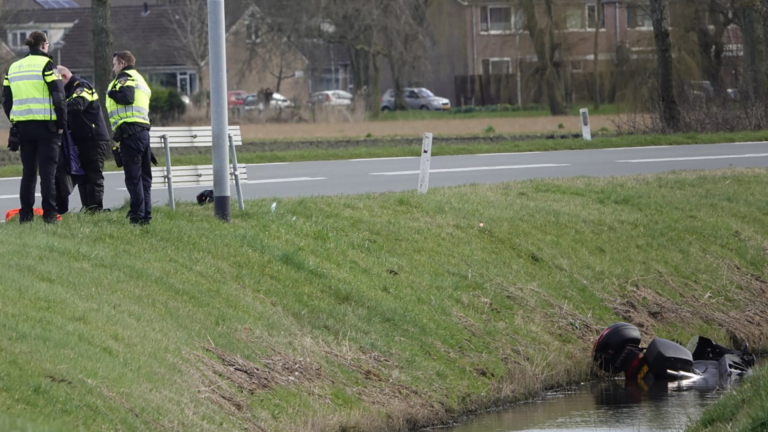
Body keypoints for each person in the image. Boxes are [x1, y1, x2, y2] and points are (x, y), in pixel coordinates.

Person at [1, 31, 66, 224]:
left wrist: (15, 120)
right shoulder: (47, 64)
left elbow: (6, 99)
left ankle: (26, 216)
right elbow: (58, 96)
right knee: (48, 173)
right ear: (44, 44)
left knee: (28, 173)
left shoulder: (13, 67)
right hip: (47, 127)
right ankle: (49, 215)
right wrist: (61, 123)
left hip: (24, 128)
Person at [107, 51, 152, 225]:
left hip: (131, 133)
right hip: (142, 132)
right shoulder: (140, 78)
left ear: (122, 63)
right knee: (144, 177)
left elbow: (127, 97)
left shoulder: (124, 77)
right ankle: (145, 215)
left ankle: (136, 216)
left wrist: (112, 94)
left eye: (114, 64)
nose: (113, 68)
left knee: (133, 177)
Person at [57, 66, 110, 212]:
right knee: (83, 176)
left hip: (93, 138)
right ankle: (87, 208)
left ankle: (95, 209)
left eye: (57, 81)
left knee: (93, 175)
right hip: (81, 139)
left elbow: (78, 104)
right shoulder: (67, 90)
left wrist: (57, 109)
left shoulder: (81, 86)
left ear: (64, 77)